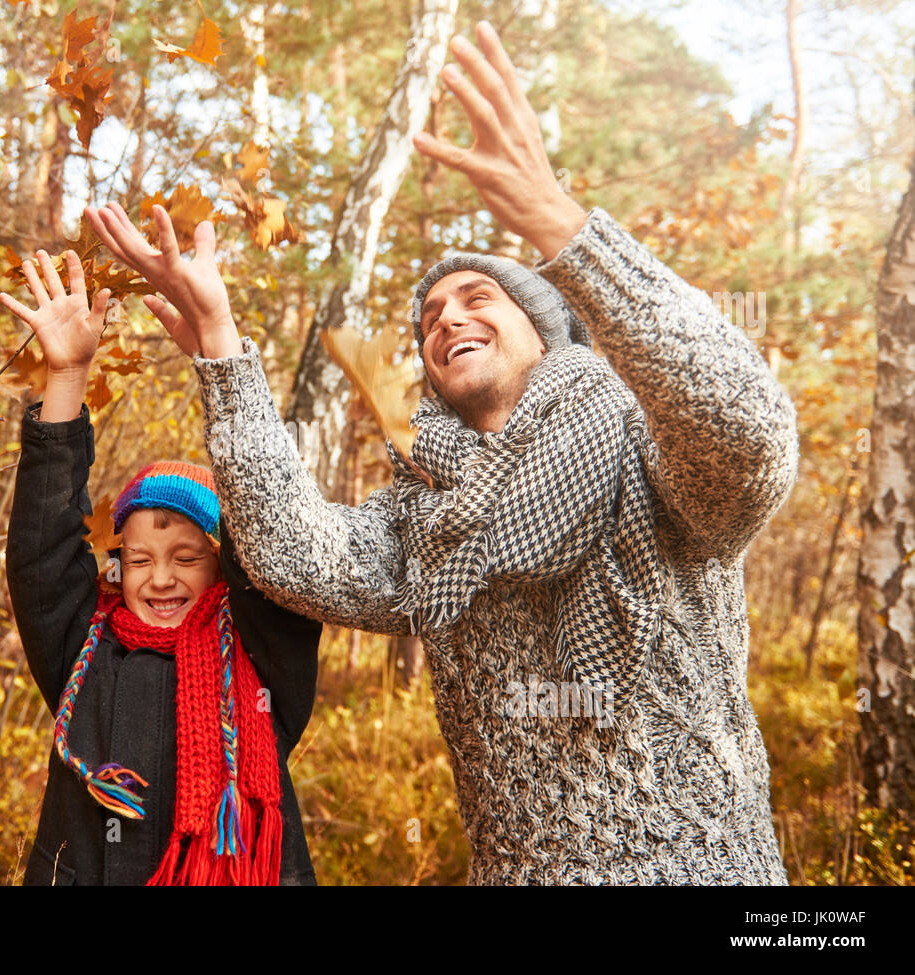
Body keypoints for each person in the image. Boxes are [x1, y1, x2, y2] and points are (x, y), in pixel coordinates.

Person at [82, 19, 799, 884]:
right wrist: (222, 349)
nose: (448, 318)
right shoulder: (426, 516)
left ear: (543, 330)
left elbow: (745, 431)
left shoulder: (650, 454)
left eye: (477, 296)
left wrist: (563, 229)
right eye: (429, 318)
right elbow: (288, 553)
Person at [0, 250, 323, 885]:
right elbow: (40, 557)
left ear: (224, 565)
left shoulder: (262, 652)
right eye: (140, 559)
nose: (161, 578)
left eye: (186, 558)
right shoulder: (83, 644)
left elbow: (268, 539)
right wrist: (65, 380)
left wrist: (218, 346)